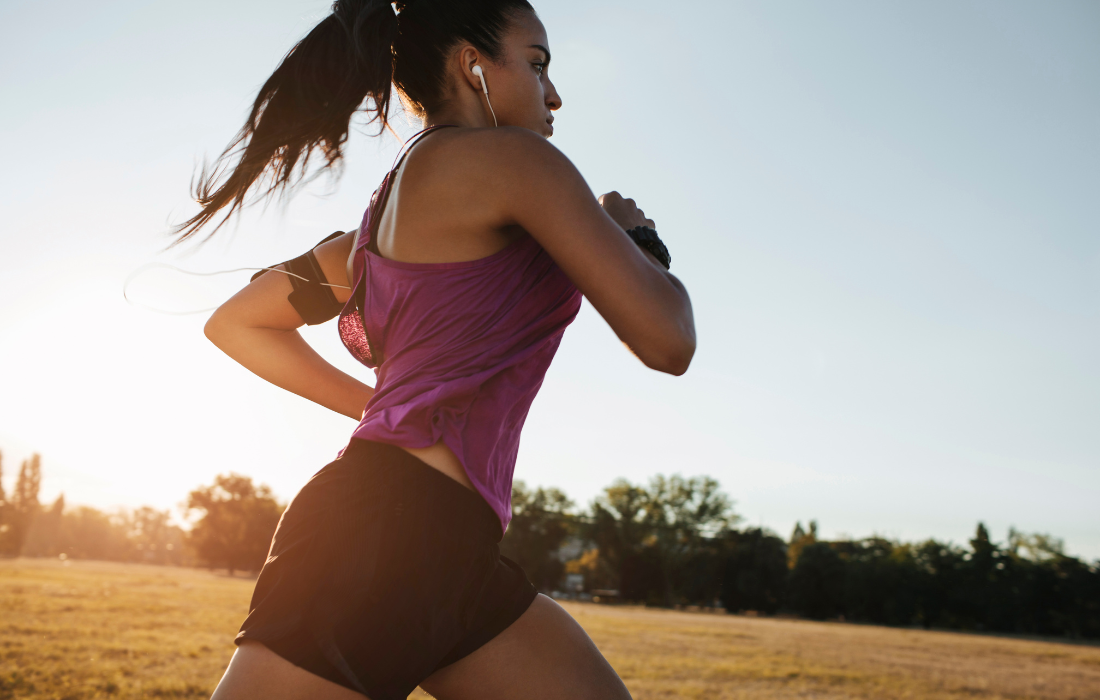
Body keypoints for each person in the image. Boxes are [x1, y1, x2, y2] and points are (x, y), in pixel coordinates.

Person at [183, 0, 695, 697]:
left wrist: (386, 410)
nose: (555, 95)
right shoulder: (519, 163)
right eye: (537, 64)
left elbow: (239, 322)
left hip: (452, 550)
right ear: (472, 66)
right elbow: (667, 339)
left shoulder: (365, 242)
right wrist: (640, 241)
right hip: (382, 535)